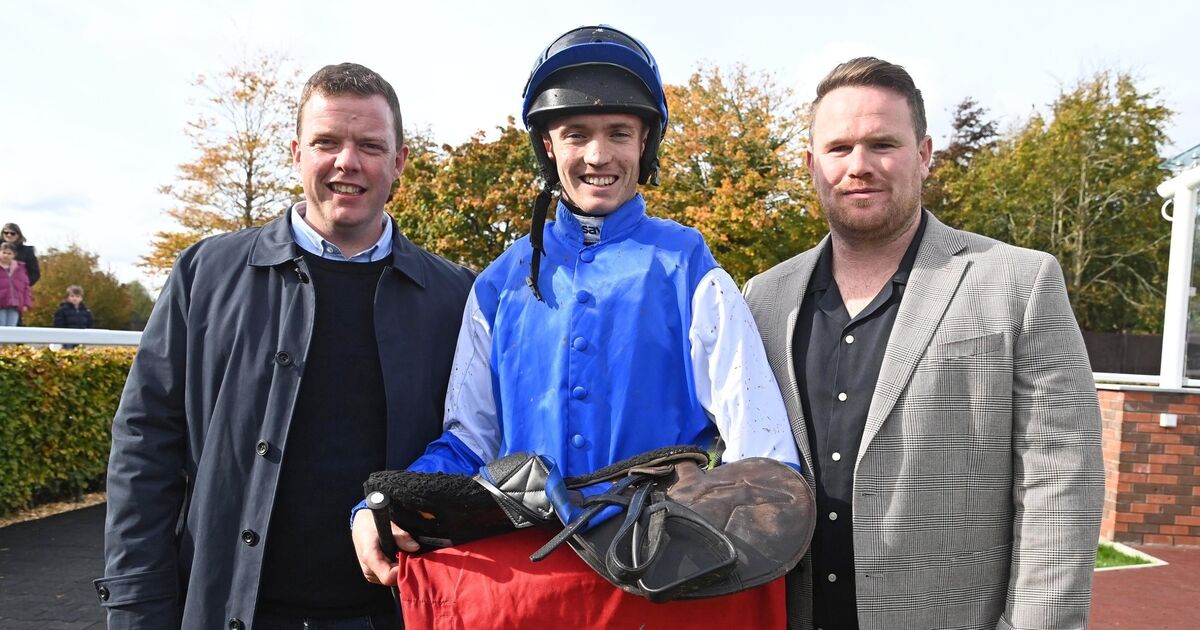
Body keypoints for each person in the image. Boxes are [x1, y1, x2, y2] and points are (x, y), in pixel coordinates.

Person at [351, 25, 801, 629]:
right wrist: (379, 509)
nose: (598, 156)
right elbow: (468, 446)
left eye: (619, 133)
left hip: (661, 581)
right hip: (529, 591)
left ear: (646, 143)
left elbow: (763, 455)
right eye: (576, 135)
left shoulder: (688, 266)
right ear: (547, 145)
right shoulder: (498, 285)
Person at [94, 62, 475, 630]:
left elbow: (473, 447)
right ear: (297, 152)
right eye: (327, 142)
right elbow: (145, 446)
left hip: (395, 613)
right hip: (229, 611)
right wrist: (134, 604)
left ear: (399, 163)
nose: (348, 162)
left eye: (370, 145)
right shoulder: (206, 274)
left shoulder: (457, 297)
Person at [742, 57, 1105, 630]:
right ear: (812, 164)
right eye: (838, 148)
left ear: (925, 153)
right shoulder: (766, 296)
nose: (858, 166)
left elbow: (1060, 484)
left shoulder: (1018, 283)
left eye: (882, 143)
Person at [0, 242, 33, 326]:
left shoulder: (20, 268)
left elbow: (26, 287)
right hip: (1, 303)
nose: (6, 255)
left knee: (12, 328)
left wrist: (26, 303)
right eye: (4, 252)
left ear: (14, 255)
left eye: (9, 253)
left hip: (15, 304)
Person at [2, 223, 40, 287]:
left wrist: (23, 285)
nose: (9, 235)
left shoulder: (27, 251)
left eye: (12, 233)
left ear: (18, 235)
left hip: (18, 291)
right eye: (6, 233)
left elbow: (34, 273)